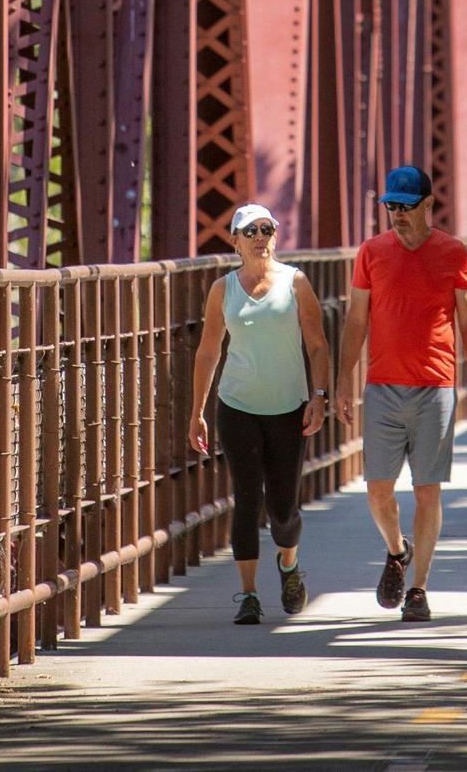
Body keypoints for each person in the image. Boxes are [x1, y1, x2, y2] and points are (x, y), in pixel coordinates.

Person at [336, 165, 467, 623]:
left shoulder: (453, 253)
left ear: (427, 205)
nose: (396, 214)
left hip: (436, 387)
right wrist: (343, 380)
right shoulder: (372, 252)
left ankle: (418, 588)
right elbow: (357, 320)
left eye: (405, 206)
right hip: (382, 386)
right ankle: (397, 550)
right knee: (378, 492)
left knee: (427, 492)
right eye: (390, 206)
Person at [188, 203, 331, 625]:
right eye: (249, 231)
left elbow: (318, 345)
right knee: (247, 499)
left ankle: (288, 565)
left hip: (289, 407)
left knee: (283, 509)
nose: (259, 237)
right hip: (237, 406)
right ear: (235, 241)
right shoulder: (222, 290)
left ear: (275, 235)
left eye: (266, 229)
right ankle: (248, 595)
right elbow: (209, 350)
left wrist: (319, 395)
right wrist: (198, 411)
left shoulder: (295, 283)